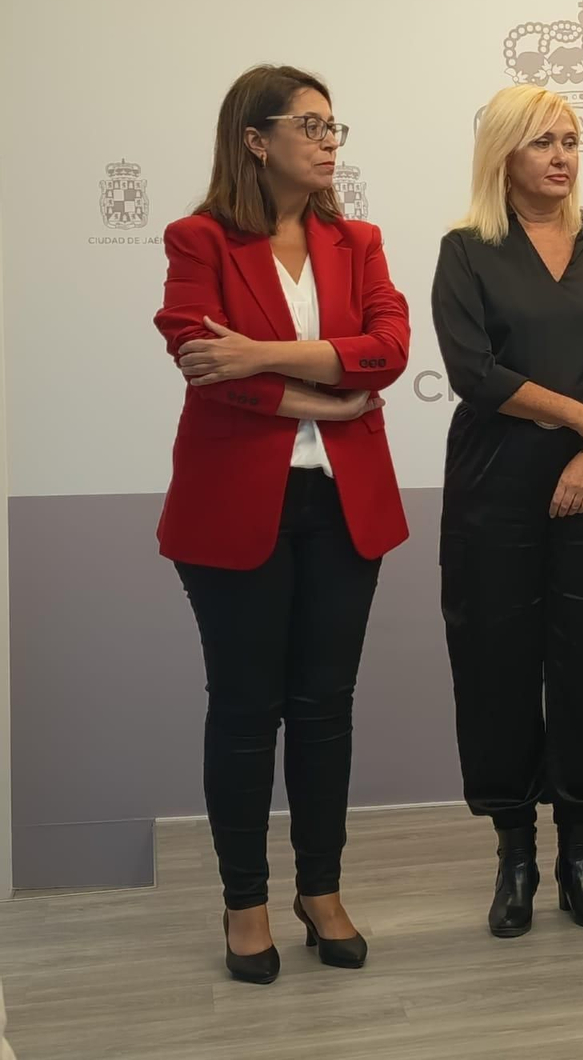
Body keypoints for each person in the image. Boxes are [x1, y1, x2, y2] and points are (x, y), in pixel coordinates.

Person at [154, 64, 410, 983]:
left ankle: (322, 889)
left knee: (324, 709)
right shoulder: (200, 239)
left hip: (345, 505)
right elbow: (198, 357)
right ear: (256, 139)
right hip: (234, 508)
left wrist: (264, 357)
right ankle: (244, 901)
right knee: (245, 710)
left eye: (337, 124)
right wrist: (324, 398)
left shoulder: (361, 240)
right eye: (311, 123)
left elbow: (387, 351)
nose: (330, 139)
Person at [433, 84, 583, 937]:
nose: (562, 157)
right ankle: (515, 856)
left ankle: (580, 856)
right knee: (497, 664)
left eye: (570, 141)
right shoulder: (468, 249)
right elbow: (474, 374)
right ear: (504, 156)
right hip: (496, 487)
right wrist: (577, 417)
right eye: (542, 143)